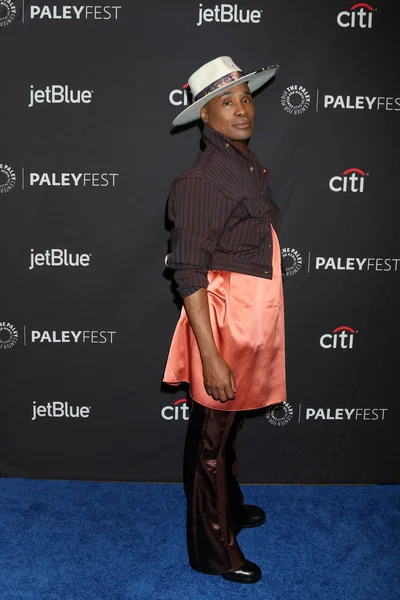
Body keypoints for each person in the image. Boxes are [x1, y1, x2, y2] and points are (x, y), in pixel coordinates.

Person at [163, 56, 286, 584]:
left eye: (245, 98)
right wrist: (209, 355)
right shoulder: (200, 180)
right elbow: (188, 272)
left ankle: (229, 509)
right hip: (224, 320)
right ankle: (214, 551)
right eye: (226, 102)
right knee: (211, 439)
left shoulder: (245, 163)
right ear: (204, 116)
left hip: (253, 314)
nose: (241, 110)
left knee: (228, 431)